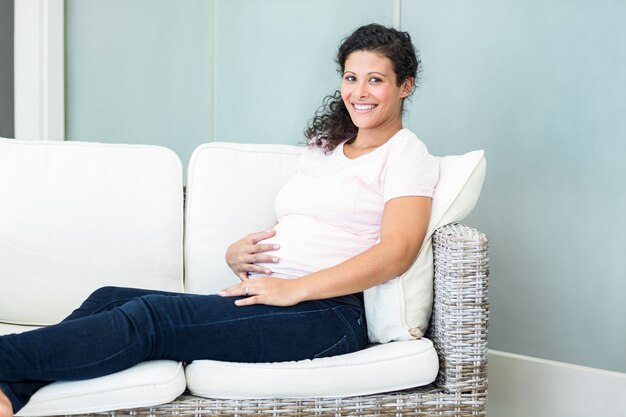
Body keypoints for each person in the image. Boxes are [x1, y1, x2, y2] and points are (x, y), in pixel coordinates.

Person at [0, 23, 438, 417]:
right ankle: (9, 392)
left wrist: (293, 288)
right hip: (270, 295)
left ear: (405, 86)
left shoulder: (405, 153)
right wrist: (238, 255)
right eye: (351, 77)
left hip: (327, 314)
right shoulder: (326, 148)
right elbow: (307, 224)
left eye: (375, 80)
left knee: (151, 318)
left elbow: (396, 251)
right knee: (109, 296)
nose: (359, 92)